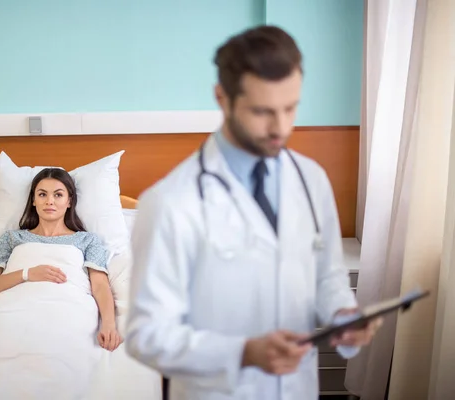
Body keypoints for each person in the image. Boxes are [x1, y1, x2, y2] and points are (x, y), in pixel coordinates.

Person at [125, 25, 382, 399]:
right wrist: (242, 352)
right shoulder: (170, 203)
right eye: (262, 111)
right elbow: (146, 335)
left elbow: (328, 276)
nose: (280, 128)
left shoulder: (310, 179)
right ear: (222, 98)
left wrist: (342, 315)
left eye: (290, 108)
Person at [0, 167, 123, 352]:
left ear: (69, 201)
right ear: (34, 201)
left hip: (69, 312)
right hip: (13, 313)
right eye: (42, 194)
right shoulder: (11, 238)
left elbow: (100, 286)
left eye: (58, 195)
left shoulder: (87, 240)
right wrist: (28, 274)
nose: (49, 201)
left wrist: (109, 324)